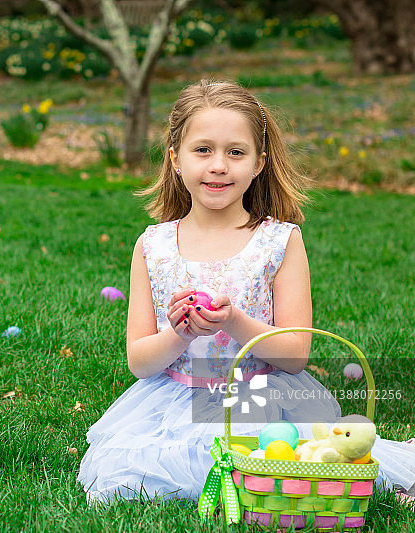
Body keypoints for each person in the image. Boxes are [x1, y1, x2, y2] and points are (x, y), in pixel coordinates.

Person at [77, 79, 415, 505]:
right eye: (203, 150)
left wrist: (234, 321)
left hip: (259, 398)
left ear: (258, 163)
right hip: (176, 400)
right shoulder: (153, 246)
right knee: (140, 482)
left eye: (235, 152)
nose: (218, 165)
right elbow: (139, 362)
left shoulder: (278, 242)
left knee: (291, 465)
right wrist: (179, 334)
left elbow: (295, 356)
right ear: (175, 159)